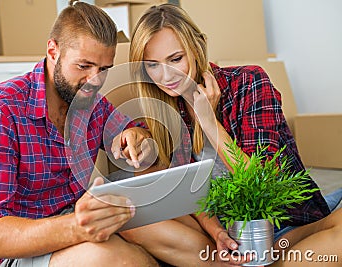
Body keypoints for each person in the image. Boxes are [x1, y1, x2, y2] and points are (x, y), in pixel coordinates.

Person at [120, 3, 342, 266]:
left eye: (175, 59)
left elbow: (264, 185)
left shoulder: (249, 83)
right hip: (216, 239)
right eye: (152, 65)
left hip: (283, 232)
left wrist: (209, 123)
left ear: (197, 47)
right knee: (128, 216)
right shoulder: (161, 108)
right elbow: (181, 192)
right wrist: (134, 135)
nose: (165, 75)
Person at [0, 1, 159, 266]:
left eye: (104, 69)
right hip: (21, 251)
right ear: (53, 51)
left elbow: (132, 133)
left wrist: (137, 136)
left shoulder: (90, 102)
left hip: (78, 221)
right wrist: (75, 226)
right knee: (124, 260)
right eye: (84, 66)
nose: (95, 80)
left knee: (166, 227)